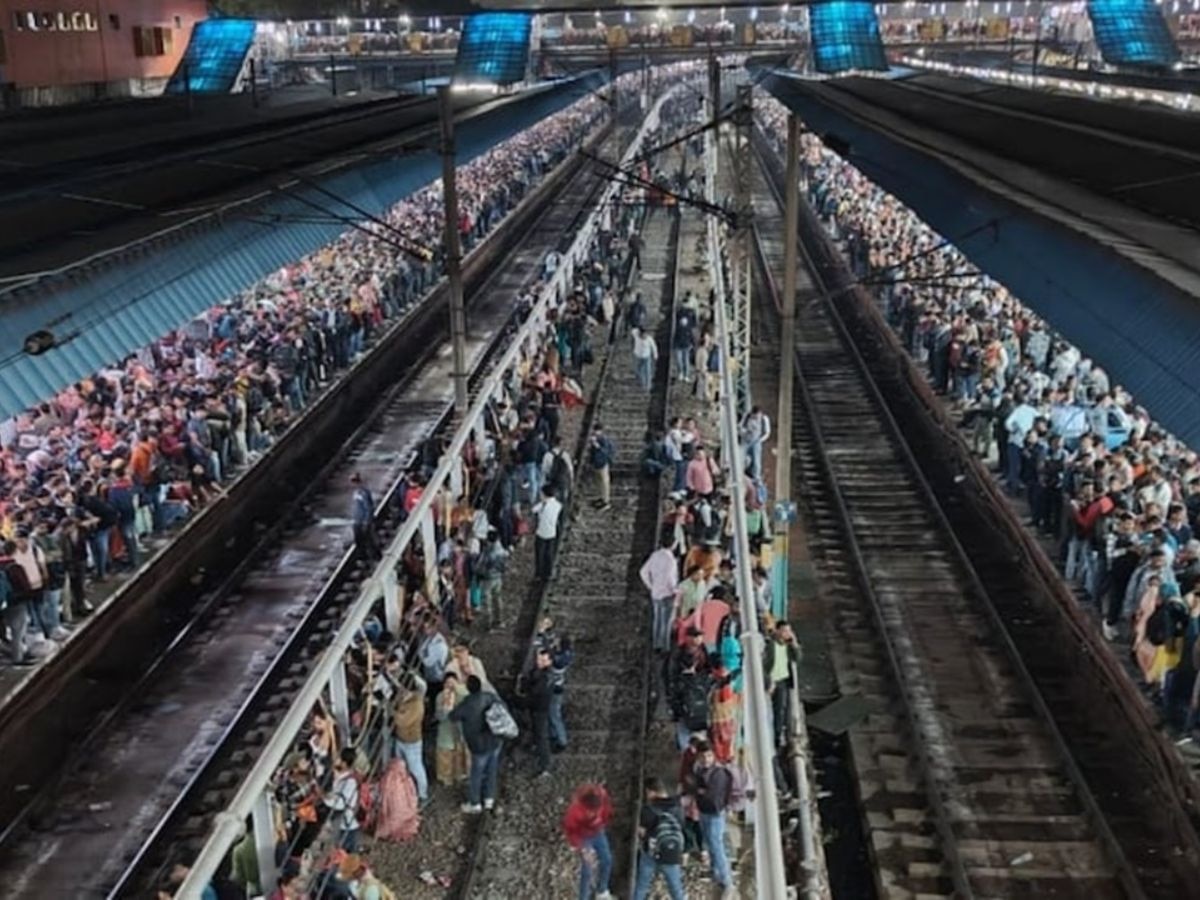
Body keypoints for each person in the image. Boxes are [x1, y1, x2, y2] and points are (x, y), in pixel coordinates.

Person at [450, 674, 503, 812]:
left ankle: (475, 803)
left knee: (476, 774)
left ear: (468, 688)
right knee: (492, 770)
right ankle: (489, 799)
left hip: (479, 746)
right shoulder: (489, 696)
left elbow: (452, 716)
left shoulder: (467, 704)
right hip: (495, 740)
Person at [633, 777, 687, 900]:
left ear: (651, 792)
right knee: (676, 889)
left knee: (641, 887)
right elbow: (681, 827)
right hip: (671, 854)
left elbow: (642, 832)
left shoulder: (648, 810)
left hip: (651, 854)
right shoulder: (677, 808)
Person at [562, 783, 615, 900]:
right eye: (591, 812)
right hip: (583, 836)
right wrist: (582, 848)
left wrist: (604, 821)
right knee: (587, 869)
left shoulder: (602, 795)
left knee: (607, 860)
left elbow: (607, 810)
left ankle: (602, 891)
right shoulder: (574, 812)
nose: (594, 814)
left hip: (598, 832)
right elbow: (571, 831)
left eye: (597, 811)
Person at [391, 671, 429, 808]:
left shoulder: (416, 704)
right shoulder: (406, 697)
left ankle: (423, 794)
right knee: (401, 765)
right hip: (401, 737)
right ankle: (406, 791)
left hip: (411, 741)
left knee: (416, 768)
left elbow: (402, 721)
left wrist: (391, 711)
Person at [640, 535, 680, 653]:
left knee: (657, 619)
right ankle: (664, 646)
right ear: (673, 544)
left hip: (656, 592)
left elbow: (643, 572)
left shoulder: (655, 555)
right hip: (667, 593)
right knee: (666, 621)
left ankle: (656, 645)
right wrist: (675, 590)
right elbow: (670, 578)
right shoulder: (670, 559)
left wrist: (650, 585)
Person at [524, 646, 555, 776]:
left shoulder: (546, 677)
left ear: (549, 662)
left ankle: (545, 766)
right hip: (537, 708)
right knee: (538, 734)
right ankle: (537, 752)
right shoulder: (540, 673)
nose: (539, 663)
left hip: (541, 709)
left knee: (542, 736)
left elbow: (534, 691)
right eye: (538, 659)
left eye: (543, 660)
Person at [435, 672, 469, 786]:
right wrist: (445, 706)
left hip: (460, 730)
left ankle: (460, 775)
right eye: (447, 683)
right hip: (446, 729)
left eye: (452, 683)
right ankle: (446, 778)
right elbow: (439, 716)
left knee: (460, 753)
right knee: (445, 754)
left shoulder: (462, 694)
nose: (449, 686)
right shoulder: (440, 696)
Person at [325, 747, 362, 852]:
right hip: (342, 824)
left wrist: (324, 800)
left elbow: (341, 803)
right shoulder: (340, 777)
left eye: (338, 758)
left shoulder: (349, 782)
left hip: (347, 827)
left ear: (344, 763)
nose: (335, 760)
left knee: (345, 859)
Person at [532, 486, 563, 580]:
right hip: (552, 533)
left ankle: (539, 573)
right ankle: (548, 573)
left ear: (545, 495)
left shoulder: (543, 505)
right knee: (549, 554)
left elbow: (533, 510)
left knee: (539, 554)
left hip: (541, 533)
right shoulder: (558, 505)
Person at [350, 473, 381, 561]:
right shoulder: (355, 492)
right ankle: (363, 557)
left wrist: (367, 521)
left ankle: (375, 556)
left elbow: (368, 507)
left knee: (368, 540)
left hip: (363, 521)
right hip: (356, 520)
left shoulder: (364, 492)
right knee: (359, 541)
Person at [589, 424, 616, 511]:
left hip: (603, 463)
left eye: (597, 430)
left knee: (604, 482)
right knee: (599, 482)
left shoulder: (604, 440)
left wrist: (597, 446)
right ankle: (601, 497)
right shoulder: (595, 439)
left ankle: (606, 501)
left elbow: (605, 452)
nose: (595, 432)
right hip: (596, 463)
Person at [632, 326, 658, 392]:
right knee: (638, 370)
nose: (644, 336)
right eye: (642, 334)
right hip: (638, 356)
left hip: (646, 357)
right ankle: (643, 382)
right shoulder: (637, 336)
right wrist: (638, 329)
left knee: (647, 371)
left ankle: (648, 385)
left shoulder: (649, 339)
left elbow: (654, 347)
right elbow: (633, 330)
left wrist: (655, 355)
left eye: (645, 335)